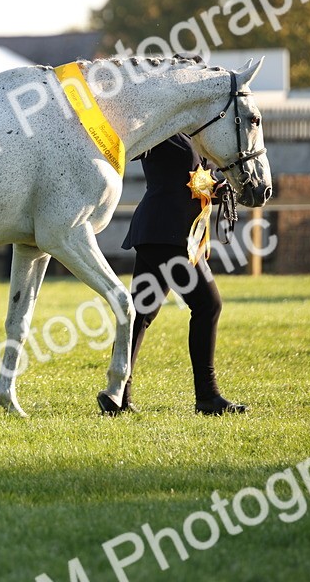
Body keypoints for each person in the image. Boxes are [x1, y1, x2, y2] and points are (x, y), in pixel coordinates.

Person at [104, 134, 246, 416]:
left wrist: (217, 189)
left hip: (165, 233)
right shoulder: (162, 130)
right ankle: (207, 396)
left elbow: (192, 181)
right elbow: (127, 146)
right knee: (208, 305)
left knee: (140, 313)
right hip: (167, 234)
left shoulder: (198, 136)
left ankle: (117, 395)